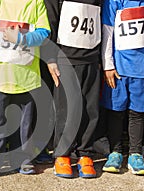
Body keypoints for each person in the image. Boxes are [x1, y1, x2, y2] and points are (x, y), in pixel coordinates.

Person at [0, 0, 51, 180]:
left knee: (25, 123)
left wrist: (22, 39)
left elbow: (44, 32)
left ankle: (23, 158)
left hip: (27, 76)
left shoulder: (36, 2)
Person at [43, 0, 102, 178]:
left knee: (90, 108)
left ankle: (85, 153)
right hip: (65, 57)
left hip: (91, 57)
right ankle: (62, 154)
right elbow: (50, 20)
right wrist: (50, 58)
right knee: (65, 108)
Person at [100, 0, 144, 175]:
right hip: (118, 69)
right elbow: (107, 32)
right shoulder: (113, 2)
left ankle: (135, 153)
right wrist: (108, 64)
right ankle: (115, 152)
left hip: (141, 68)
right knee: (116, 110)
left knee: (137, 112)